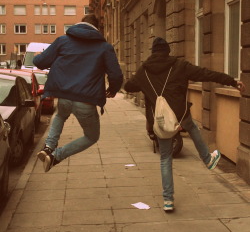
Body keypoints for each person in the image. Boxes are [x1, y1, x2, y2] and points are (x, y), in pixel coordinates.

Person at [124, 37, 245, 212]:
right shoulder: (179, 65)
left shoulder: (144, 70)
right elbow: (206, 74)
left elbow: (128, 87)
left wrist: (146, 87)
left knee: (165, 158)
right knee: (192, 126)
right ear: (167, 51)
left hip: (160, 121)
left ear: (152, 52)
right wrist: (232, 81)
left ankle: (168, 200)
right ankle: (207, 159)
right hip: (179, 116)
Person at [33, 14, 123, 172]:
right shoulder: (104, 47)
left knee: (60, 115)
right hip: (86, 101)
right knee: (91, 137)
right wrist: (113, 90)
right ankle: (56, 156)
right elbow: (116, 75)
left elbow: (40, 62)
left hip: (64, 96)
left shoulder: (63, 41)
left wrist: (37, 57)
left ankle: (48, 147)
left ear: (80, 24)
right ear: (97, 29)